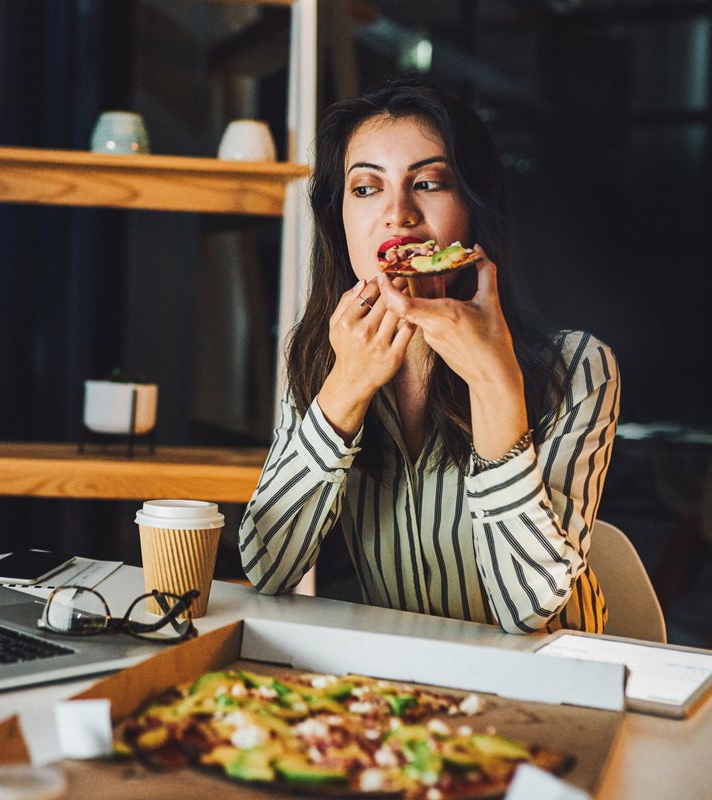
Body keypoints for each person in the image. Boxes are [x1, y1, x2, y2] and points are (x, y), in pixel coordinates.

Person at [238, 77, 618, 634]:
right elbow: (268, 568)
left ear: (474, 205)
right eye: (366, 188)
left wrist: (495, 384)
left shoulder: (578, 365)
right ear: (338, 220)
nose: (398, 213)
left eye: (430, 183)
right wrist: (346, 388)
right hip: (402, 693)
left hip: (550, 693)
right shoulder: (325, 358)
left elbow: (528, 610)